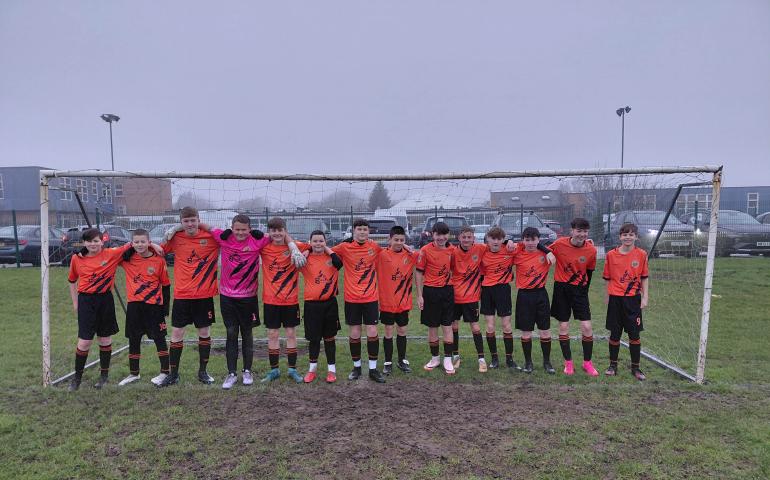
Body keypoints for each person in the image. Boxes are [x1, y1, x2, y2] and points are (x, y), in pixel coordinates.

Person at [159, 206, 220, 387]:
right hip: (182, 295)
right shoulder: (176, 238)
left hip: (204, 295)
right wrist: (173, 230)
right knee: (177, 332)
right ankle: (173, 374)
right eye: (186, 221)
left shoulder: (211, 237)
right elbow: (159, 250)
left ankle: (203, 372)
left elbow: (229, 238)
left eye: (193, 220)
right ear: (181, 222)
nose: (190, 224)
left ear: (199, 220)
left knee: (204, 332)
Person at [207, 215, 269, 390]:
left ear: (250, 229)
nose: (240, 233)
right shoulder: (223, 238)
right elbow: (204, 226)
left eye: (244, 229)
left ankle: (247, 371)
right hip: (227, 297)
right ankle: (232, 373)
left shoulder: (258, 241)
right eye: (237, 229)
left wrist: (293, 247)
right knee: (231, 333)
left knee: (247, 333)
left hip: (248, 298)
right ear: (231, 228)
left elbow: (280, 234)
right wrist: (175, 229)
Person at [67, 228, 133, 391]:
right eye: (89, 241)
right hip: (86, 301)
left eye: (96, 241)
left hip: (105, 300)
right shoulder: (77, 258)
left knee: (104, 339)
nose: (93, 244)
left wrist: (154, 245)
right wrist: (75, 303)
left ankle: (104, 376)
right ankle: (77, 379)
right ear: (84, 243)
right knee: (85, 341)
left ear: (102, 241)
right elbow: (72, 281)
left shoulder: (111, 254)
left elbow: (134, 244)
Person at [332, 219, 386, 383]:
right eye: (359, 229)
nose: (362, 232)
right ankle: (356, 368)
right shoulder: (344, 247)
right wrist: (306, 252)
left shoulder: (374, 247)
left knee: (372, 331)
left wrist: (405, 246)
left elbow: (392, 248)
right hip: (352, 298)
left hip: (371, 297)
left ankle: (373, 369)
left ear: (368, 232)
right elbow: (325, 250)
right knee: (355, 332)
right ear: (354, 231)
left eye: (365, 229)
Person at [117, 229, 172, 387]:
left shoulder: (158, 260)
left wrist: (165, 308)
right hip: (134, 306)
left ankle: (165, 372)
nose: (140, 244)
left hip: (154, 307)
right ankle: (134, 373)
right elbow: (113, 253)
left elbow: (166, 285)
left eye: (143, 241)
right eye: (136, 242)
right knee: (134, 339)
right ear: (132, 243)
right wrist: (131, 246)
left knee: (159, 339)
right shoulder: (127, 259)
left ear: (149, 242)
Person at [258, 217, 309, 383]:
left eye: (280, 230)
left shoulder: (295, 246)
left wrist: (302, 252)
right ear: (269, 232)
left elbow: (311, 247)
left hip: (290, 300)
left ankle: (292, 369)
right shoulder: (264, 248)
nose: (277, 234)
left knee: (291, 334)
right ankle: (274, 370)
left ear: (285, 231)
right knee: (272, 334)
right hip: (271, 300)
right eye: (273, 231)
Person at [548, 217, 599, 376]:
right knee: (563, 326)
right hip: (561, 290)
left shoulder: (591, 250)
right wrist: (548, 252)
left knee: (587, 327)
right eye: (579, 231)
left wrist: (584, 291)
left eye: (585, 231)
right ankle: (568, 363)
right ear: (572, 231)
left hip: (580, 291)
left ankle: (587, 363)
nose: (582, 234)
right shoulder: (559, 243)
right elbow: (541, 248)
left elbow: (589, 272)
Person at [603, 222, 649, 381]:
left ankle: (636, 368)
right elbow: (607, 278)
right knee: (615, 334)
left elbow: (644, 278)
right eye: (624, 235)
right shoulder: (611, 255)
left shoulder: (642, 254)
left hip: (633, 300)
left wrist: (645, 297)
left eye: (631, 235)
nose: (627, 237)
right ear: (620, 237)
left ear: (636, 237)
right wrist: (607, 296)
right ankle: (612, 366)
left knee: (634, 334)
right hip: (615, 299)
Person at [299, 230, 342, 383]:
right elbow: (293, 245)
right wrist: (307, 250)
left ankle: (332, 371)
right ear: (310, 242)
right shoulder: (305, 258)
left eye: (321, 241)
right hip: (312, 306)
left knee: (330, 338)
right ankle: (312, 370)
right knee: (314, 339)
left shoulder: (333, 257)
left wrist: (328, 250)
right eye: (315, 241)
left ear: (325, 242)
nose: (318, 244)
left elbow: (339, 264)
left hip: (330, 304)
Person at [375, 226, 418, 375]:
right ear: (389, 239)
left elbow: (420, 256)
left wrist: (408, 248)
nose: (399, 242)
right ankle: (387, 362)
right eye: (396, 240)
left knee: (402, 330)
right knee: (388, 331)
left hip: (403, 302)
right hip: (387, 302)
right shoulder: (381, 255)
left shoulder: (410, 255)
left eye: (402, 240)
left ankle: (401, 360)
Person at [415, 222, 456, 375]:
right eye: (438, 234)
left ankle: (448, 360)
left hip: (447, 292)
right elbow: (419, 272)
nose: (441, 238)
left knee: (447, 326)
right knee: (432, 327)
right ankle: (435, 358)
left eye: (444, 234)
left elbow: (454, 268)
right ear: (433, 235)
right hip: (430, 292)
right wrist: (420, 295)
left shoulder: (453, 250)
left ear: (448, 235)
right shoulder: (425, 250)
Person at [513, 227, 555, 374]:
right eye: (527, 240)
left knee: (545, 331)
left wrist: (547, 251)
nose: (530, 243)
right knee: (526, 332)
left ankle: (547, 362)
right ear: (523, 240)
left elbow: (559, 248)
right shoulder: (518, 253)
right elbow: (507, 245)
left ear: (538, 240)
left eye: (533, 240)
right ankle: (528, 362)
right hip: (524, 296)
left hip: (541, 295)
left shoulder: (546, 253)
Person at [479, 227, 518, 370]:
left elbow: (528, 244)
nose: (496, 241)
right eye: (493, 238)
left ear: (503, 240)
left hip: (503, 290)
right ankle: (494, 358)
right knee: (490, 326)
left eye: (499, 239)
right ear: (487, 239)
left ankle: (509, 359)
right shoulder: (482, 251)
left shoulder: (509, 250)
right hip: (487, 291)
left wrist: (510, 241)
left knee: (506, 325)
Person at [450, 226, 488, 372]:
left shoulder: (480, 249)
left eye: (469, 237)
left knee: (475, 326)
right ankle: (455, 356)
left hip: (471, 297)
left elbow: (497, 244)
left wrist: (508, 242)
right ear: (459, 238)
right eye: (464, 237)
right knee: (454, 326)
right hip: (455, 296)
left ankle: (481, 359)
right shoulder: (453, 252)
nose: (466, 240)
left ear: (473, 238)